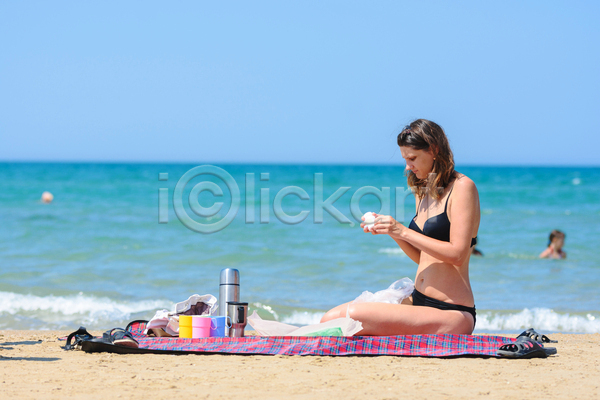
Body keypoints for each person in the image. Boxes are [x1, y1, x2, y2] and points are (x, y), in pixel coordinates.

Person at [321, 119, 479, 335]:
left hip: (451, 311)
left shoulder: (462, 187)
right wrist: (393, 233)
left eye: (412, 158)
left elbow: (458, 255)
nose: (408, 166)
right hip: (418, 300)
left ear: (434, 150)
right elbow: (423, 258)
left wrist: (402, 230)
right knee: (330, 318)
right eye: (405, 159)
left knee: (349, 318)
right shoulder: (424, 191)